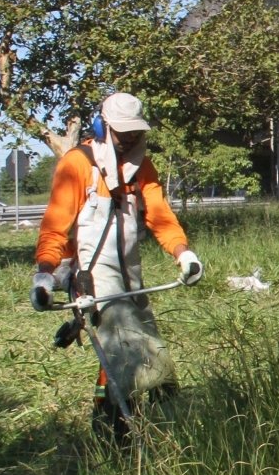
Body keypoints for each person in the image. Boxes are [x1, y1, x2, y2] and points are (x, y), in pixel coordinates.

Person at [33, 91, 204, 435]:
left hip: (130, 274)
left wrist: (183, 253)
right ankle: (120, 430)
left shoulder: (141, 168)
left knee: (140, 339)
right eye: (123, 134)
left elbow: (160, 216)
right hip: (91, 273)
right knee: (127, 342)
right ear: (102, 126)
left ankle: (150, 420)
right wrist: (45, 275)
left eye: (135, 134)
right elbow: (55, 225)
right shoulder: (78, 164)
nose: (129, 142)